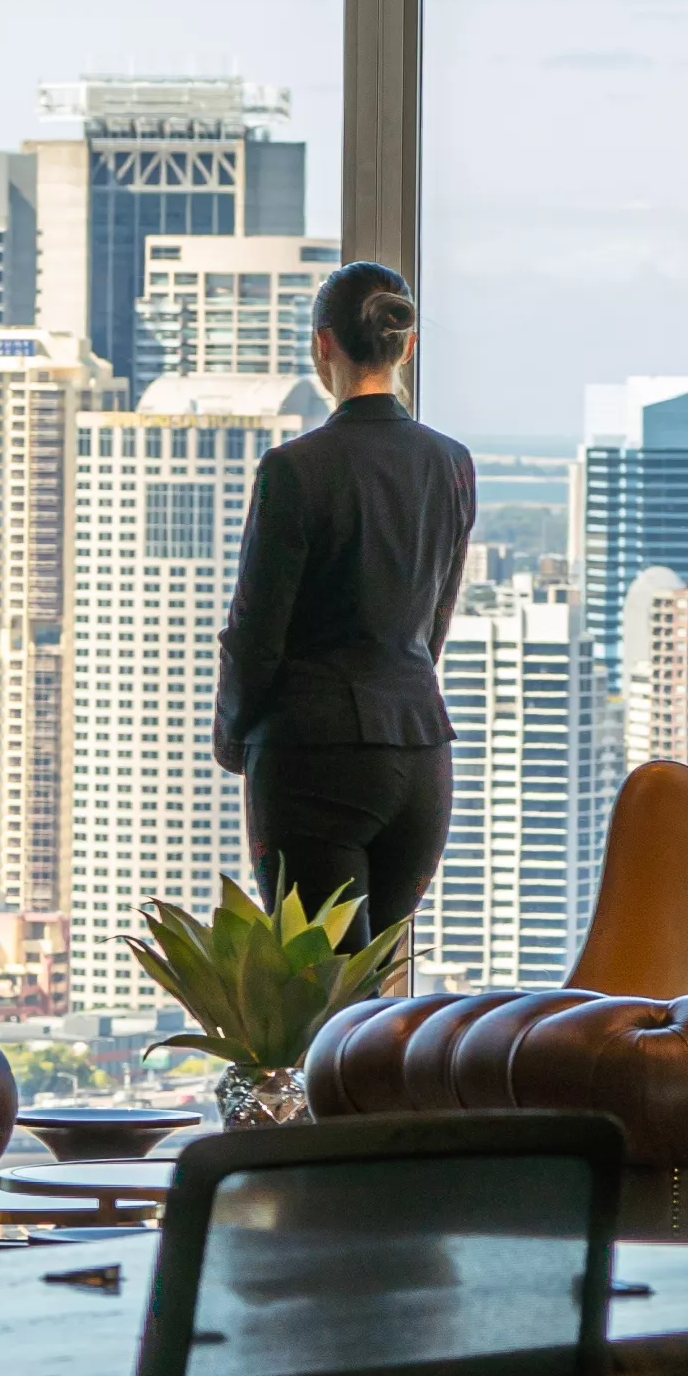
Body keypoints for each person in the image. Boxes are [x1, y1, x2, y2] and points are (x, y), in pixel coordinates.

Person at [213, 262, 475, 955]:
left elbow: (255, 631)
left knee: (321, 999)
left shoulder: (294, 468)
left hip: (312, 761)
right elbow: (435, 622)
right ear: (405, 348)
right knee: (368, 1005)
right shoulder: (451, 462)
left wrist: (233, 733)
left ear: (321, 345)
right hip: (421, 758)